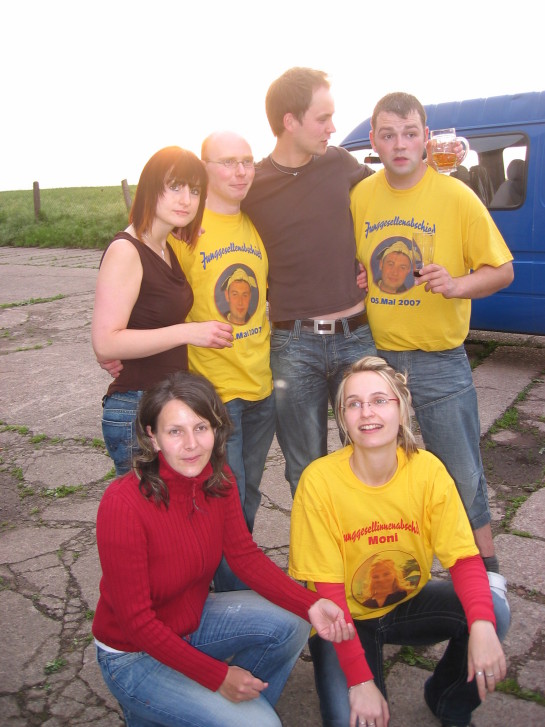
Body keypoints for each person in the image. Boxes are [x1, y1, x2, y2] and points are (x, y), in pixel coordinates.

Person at [93, 370, 354, 727]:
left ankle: (218, 710)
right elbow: (137, 622)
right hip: (132, 655)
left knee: (295, 621)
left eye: (201, 427)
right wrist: (216, 677)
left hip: (191, 623)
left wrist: (310, 604)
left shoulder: (218, 480)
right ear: (153, 437)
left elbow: (244, 557)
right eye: (175, 431)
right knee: (262, 725)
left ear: (216, 429)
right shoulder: (123, 503)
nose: (191, 444)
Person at [350, 92, 514, 599]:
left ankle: (487, 574)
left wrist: (458, 284)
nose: (399, 145)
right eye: (388, 135)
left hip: (439, 359)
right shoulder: (361, 196)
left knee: (461, 471)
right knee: (382, 472)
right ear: (374, 141)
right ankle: (393, 568)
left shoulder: (456, 197)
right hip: (377, 361)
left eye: (409, 133)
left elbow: (502, 270)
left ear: (426, 137)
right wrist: (358, 275)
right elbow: (357, 261)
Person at [289, 356, 509, 727]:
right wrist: (360, 681)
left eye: (379, 400)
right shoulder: (318, 482)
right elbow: (328, 594)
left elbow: (463, 558)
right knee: (352, 719)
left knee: (493, 614)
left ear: (402, 409)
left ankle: (447, 699)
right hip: (343, 620)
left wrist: (482, 626)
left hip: (407, 603)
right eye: (354, 404)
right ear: (342, 418)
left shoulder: (428, 470)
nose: (366, 412)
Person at [241, 67, 377, 497]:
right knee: (306, 470)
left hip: (357, 338)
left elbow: (386, 201)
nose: (332, 128)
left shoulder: (340, 163)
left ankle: (368, 539)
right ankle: (317, 545)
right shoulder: (252, 185)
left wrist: (371, 259)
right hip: (293, 346)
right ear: (290, 121)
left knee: (373, 455)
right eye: (323, 118)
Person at [170, 131, 275, 590]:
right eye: (228, 162)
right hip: (214, 392)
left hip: (262, 386)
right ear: (205, 169)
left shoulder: (256, 222)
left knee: (247, 492)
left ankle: (231, 581)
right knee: (226, 498)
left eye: (247, 161)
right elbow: (151, 297)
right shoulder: (184, 231)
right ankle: (230, 593)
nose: (240, 172)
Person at [92, 146, 233, 475]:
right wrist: (189, 332)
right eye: (175, 186)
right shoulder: (126, 250)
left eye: (194, 190)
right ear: (150, 188)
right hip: (137, 410)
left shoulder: (165, 246)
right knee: (144, 508)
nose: (186, 199)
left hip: (164, 406)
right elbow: (106, 342)